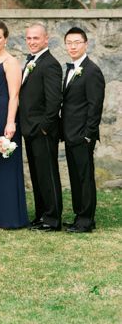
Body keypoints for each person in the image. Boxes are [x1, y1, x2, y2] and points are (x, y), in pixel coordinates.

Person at [0, 21, 28, 229]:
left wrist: (10, 121)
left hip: (3, 114)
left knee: (5, 163)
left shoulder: (10, 62)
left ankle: (9, 215)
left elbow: (15, 95)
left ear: (6, 39)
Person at [60, 27, 105, 233]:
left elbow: (95, 106)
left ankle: (86, 221)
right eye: (69, 42)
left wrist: (88, 135)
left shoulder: (92, 70)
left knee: (84, 178)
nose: (73, 46)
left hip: (82, 135)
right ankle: (80, 217)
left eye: (77, 42)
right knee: (76, 177)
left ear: (86, 44)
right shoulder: (71, 68)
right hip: (70, 134)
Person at [19, 23, 63, 232]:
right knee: (37, 175)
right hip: (30, 129)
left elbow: (54, 101)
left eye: (36, 38)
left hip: (42, 131)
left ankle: (52, 219)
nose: (32, 42)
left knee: (48, 174)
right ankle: (41, 214)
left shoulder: (50, 64)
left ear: (46, 39)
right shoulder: (32, 61)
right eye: (29, 38)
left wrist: (44, 127)